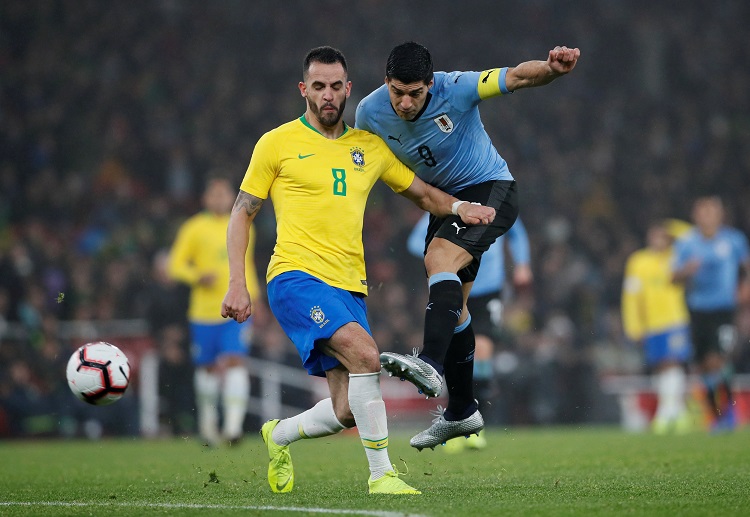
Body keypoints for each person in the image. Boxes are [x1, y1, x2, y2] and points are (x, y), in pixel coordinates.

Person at [220, 46, 495, 495]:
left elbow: (424, 195)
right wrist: (238, 281)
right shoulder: (276, 143)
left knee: (348, 409)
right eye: (318, 86)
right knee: (368, 355)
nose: (327, 95)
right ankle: (382, 476)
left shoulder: (369, 147)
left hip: (349, 286)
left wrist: (463, 205)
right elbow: (241, 214)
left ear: (348, 90)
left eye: (335, 87)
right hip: (294, 277)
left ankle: (279, 434)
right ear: (303, 89)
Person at [355, 41, 579, 450]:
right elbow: (384, 172)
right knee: (453, 303)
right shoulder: (369, 113)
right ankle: (461, 411)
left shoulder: (455, 88)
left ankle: (430, 363)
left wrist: (551, 69)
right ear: (386, 81)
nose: (404, 103)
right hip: (446, 203)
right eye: (397, 92)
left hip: (491, 188)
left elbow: (516, 76)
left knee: (438, 258)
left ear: (430, 84)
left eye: (415, 93)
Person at [407, 213, 532, 449]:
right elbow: (414, 242)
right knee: (453, 352)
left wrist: (523, 264)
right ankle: (454, 417)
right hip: (454, 287)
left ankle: (475, 425)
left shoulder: (495, 201)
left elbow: (516, 232)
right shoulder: (447, 206)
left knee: (482, 349)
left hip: (488, 289)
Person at [168, 175, 260, 446]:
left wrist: (254, 298)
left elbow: (249, 266)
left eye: (224, 194)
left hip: (236, 310)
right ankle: (208, 425)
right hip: (203, 312)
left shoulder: (243, 224)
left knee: (235, 361)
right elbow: (175, 264)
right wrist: (196, 276)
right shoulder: (194, 228)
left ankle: (233, 428)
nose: (219, 198)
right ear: (205, 198)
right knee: (207, 369)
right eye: (214, 194)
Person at [672, 196, 750, 432]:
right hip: (697, 309)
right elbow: (673, 278)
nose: (707, 216)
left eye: (712, 211)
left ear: (720, 214)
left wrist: (745, 290)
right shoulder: (687, 243)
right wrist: (686, 271)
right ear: (695, 215)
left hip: (724, 309)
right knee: (704, 365)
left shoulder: (734, 240)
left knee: (719, 359)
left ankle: (727, 413)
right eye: (703, 211)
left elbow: (747, 268)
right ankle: (715, 415)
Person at [621, 220, 693, 434]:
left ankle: (666, 412)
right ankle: (677, 413)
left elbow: (691, 235)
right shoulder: (638, 261)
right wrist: (633, 326)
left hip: (675, 320)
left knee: (672, 363)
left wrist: (670, 227)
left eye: (663, 236)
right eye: (655, 235)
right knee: (661, 366)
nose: (658, 239)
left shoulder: (676, 257)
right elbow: (631, 297)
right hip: (651, 324)